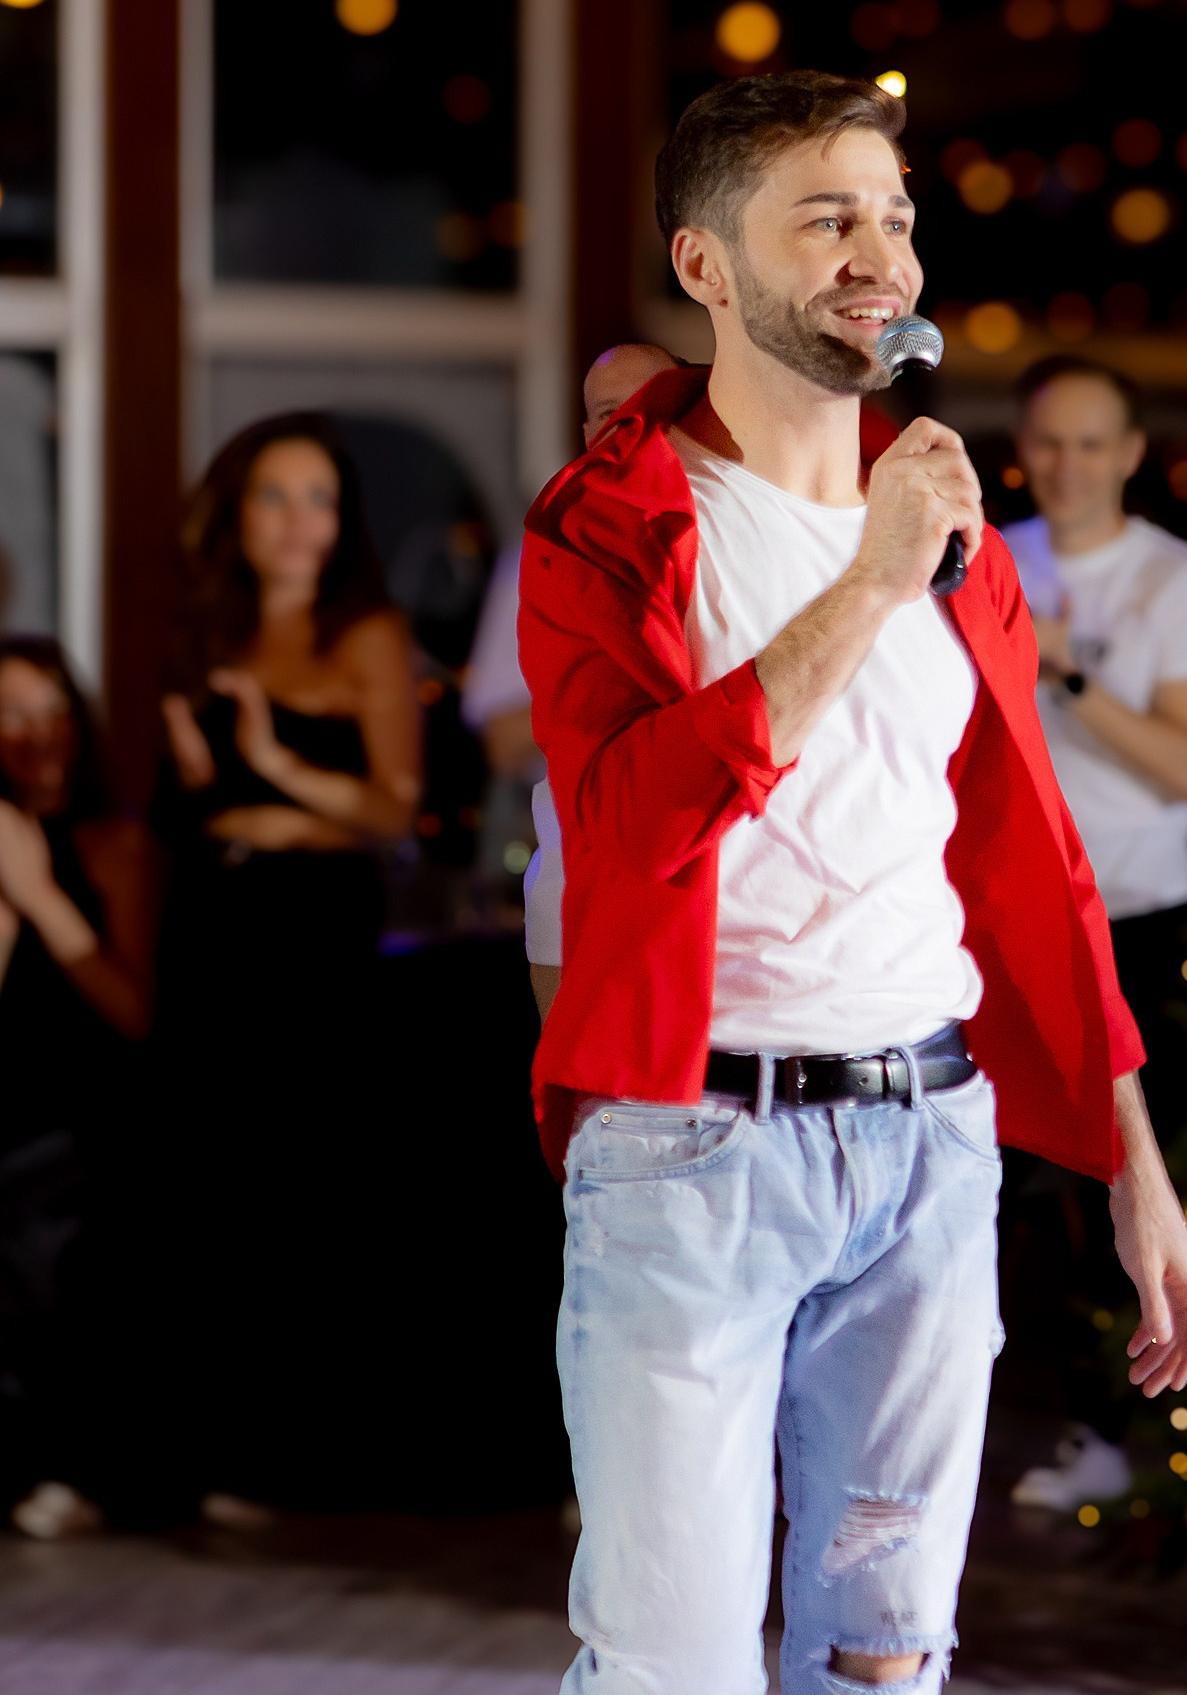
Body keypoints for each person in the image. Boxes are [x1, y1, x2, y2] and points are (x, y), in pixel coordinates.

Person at [473, 69, 1187, 1695]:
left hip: (926, 1145)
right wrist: (862, 585)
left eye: (887, 213)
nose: (875, 255)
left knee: (878, 1663)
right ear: (708, 266)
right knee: (680, 1656)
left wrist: (1133, 1161)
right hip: (690, 1147)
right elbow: (628, 817)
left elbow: (1033, 855)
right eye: (821, 220)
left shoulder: (950, 523)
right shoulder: (608, 533)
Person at [156, 415, 422, 1516]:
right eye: (275, 494)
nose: (297, 519)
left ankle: (294, 1460)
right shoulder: (207, 624)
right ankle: (208, 1454)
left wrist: (270, 764)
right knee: (211, 1190)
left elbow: (391, 808)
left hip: (312, 937)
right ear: (239, 509)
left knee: (299, 1186)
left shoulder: (364, 632)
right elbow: (190, 810)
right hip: (217, 926)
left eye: (318, 496)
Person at [997, 355, 1187, 1516]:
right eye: (1050, 442)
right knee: (1001, 1189)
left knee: (1133, 1184)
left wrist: (1064, 668)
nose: (1068, 465)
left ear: (1132, 451)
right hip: (1004, 914)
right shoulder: (987, 554)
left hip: (1144, 916)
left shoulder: (1178, 581)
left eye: (1092, 443)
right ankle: (1051, 1424)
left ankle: (1132, 1436)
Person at [460, 343, 678, 1020]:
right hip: (577, 867)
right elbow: (503, 739)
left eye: (651, 408)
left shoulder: (737, 533)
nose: (630, 427)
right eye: (610, 413)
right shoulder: (549, 543)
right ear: (587, 435)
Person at [0, 639, 156, 1540]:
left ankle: (73, 1465)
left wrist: (38, 893)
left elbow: (130, 1009)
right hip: (9, 1096)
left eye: (51, 711)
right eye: (13, 715)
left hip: (86, 1104)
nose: (37, 736)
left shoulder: (113, 842)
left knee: (46, 1221)